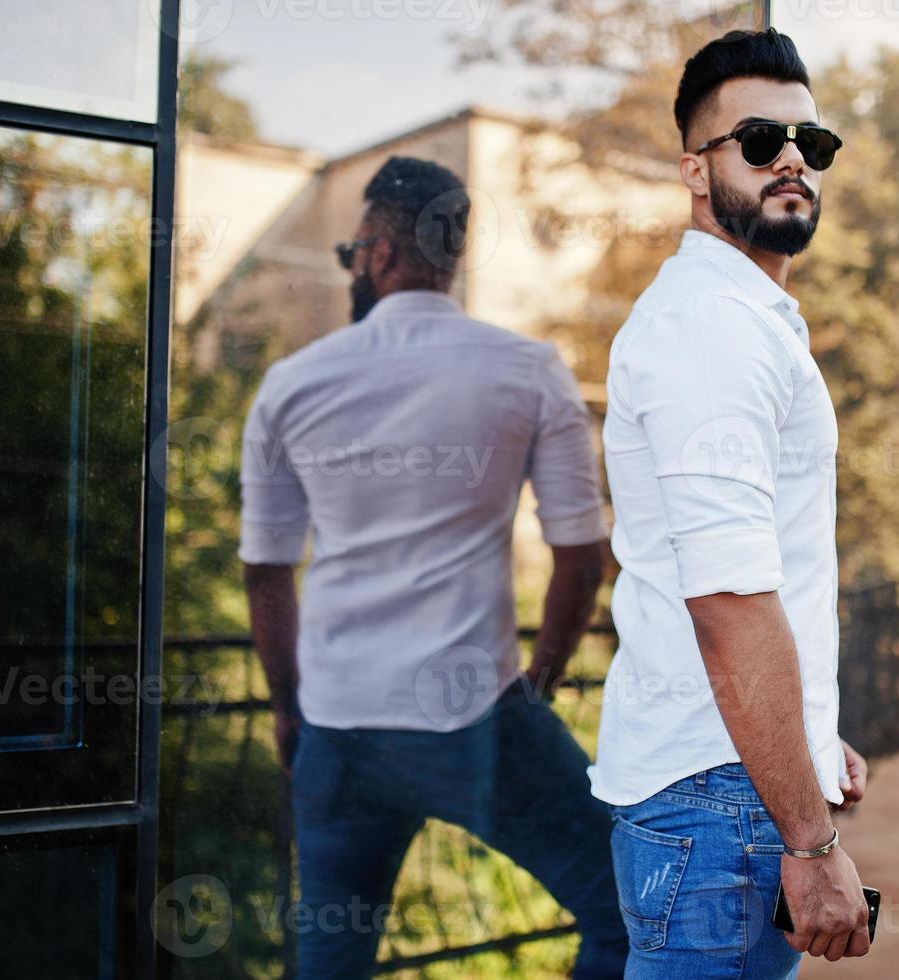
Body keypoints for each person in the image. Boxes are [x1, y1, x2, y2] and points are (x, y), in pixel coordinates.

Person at [240, 155, 628, 979]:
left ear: (377, 255)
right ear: (450, 257)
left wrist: (288, 711)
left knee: (330, 962)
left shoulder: (290, 383)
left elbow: (266, 573)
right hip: (476, 721)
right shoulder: (526, 369)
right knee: (633, 909)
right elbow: (581, 557)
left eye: (352, 255)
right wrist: (543, 678)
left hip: (338, 729)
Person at [589, 29, 872, 977]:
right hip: (721, 808)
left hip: (735, 791)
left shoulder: (748, 320)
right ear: (695, 171)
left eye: (810, 142)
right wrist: (812, 844)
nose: (791, 156)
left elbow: (768, 571)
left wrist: (815, 734)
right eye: (757, 140)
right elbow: (727, 603)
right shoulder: (711, 326)